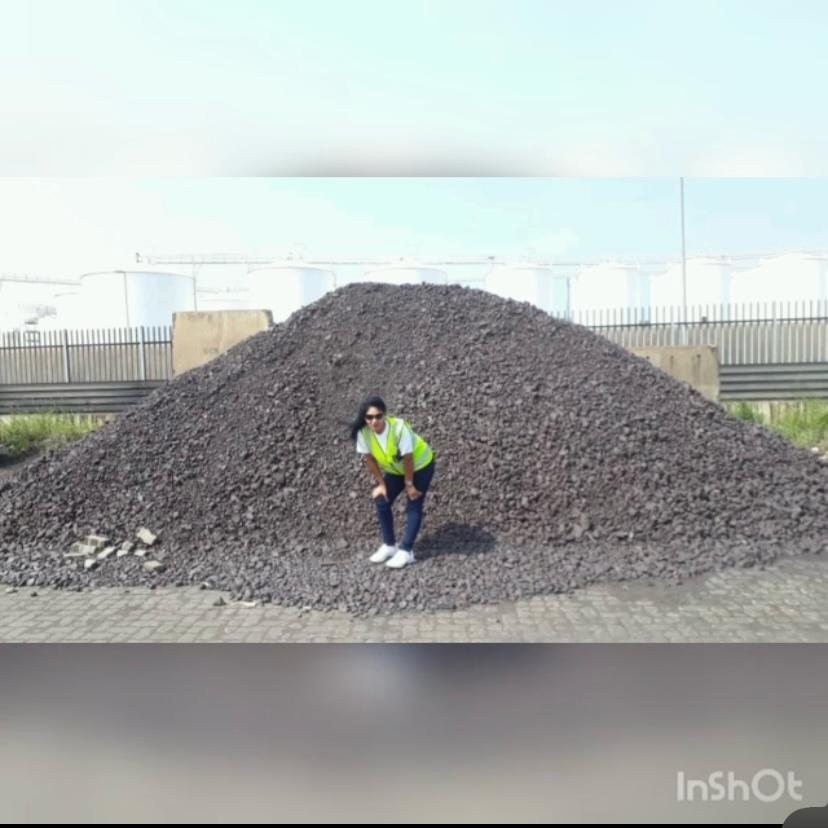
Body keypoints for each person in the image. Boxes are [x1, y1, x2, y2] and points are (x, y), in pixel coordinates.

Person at [349, 396, 436, 568]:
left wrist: (409, 485)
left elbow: (409, 458)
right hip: (396, 470)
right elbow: (369, 460)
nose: (374, 421)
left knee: (414, 502)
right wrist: (381, 484)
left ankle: (406, 551)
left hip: (420, 466)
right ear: (364, 418)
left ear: (385, 414)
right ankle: (390, 546)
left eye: (378, 416)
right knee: (382, 500)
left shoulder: (399, 428)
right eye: (369, 417)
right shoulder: (363, 433)